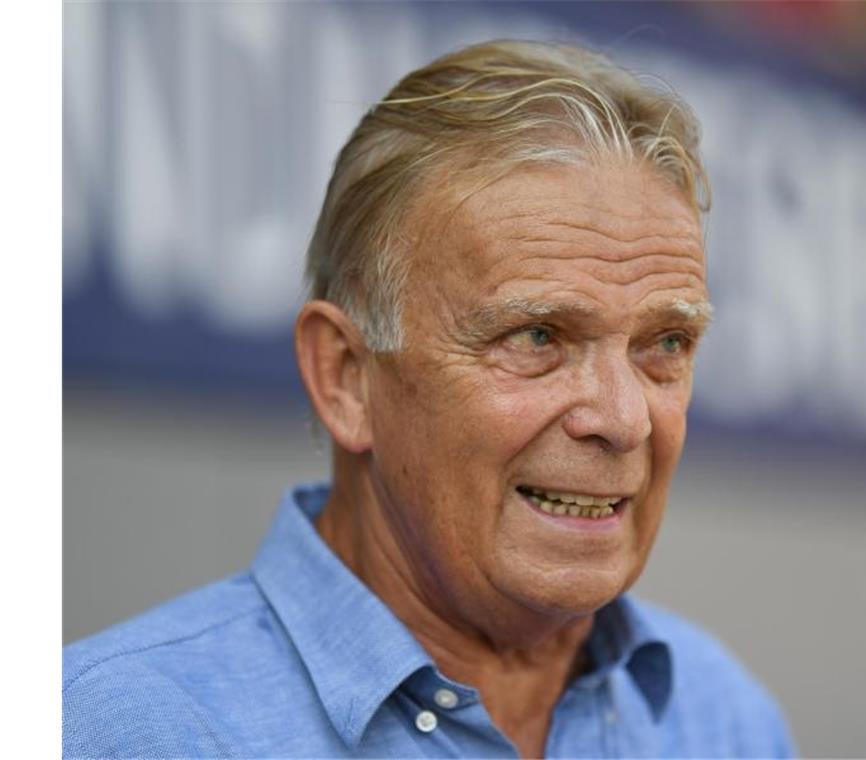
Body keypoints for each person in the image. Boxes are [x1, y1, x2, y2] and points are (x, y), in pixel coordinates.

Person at [63, 40, 795, 758]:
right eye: (538, 336)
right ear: (346, 377)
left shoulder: (722, 720)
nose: (624, 419)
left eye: (666, 345)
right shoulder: (108, 732)